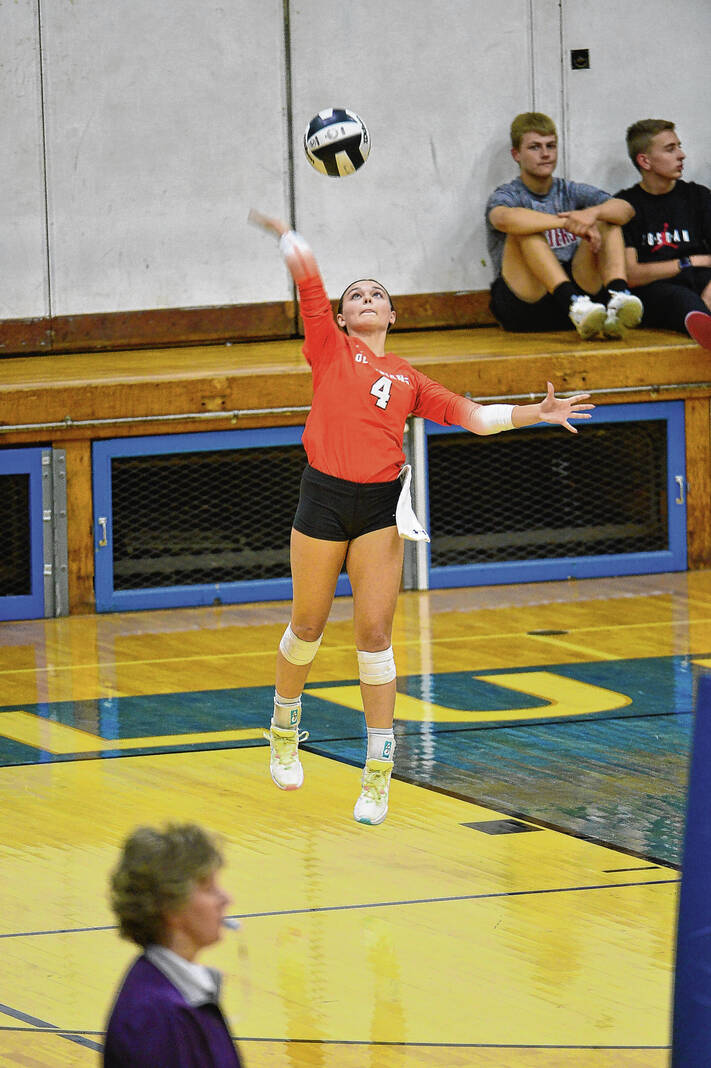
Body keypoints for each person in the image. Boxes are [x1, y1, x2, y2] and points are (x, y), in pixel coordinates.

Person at [249, 208, 594, 827]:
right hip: (323, 497)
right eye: (356, 295)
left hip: (380, 508)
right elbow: (309, 287)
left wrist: (535, 414)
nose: (367, 298)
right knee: (307, 625)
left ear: (392, 315)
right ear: (343, 317)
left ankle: (378, 770)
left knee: (375, 636)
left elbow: (476, 417)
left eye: (377, 294)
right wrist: (290, 239)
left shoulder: (408, 378)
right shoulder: (329, 348)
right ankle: (282, 728)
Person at [485, 111, 643, 340]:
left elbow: (626, 210)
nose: (545, 154)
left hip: (586, 304)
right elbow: (502, 219)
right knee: (523, 231)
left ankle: (618, 297)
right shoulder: (508, 194)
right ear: (516, 154)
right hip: (527, 303)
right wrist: (567, 222)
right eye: (535, 147)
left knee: (607, 218)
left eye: (551, 146)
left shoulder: (570, 190)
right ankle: (572, 302)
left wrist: (592, 214)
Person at [103, 823, 243, 1067]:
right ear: (172, 907)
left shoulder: (171, 991)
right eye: (209, 889)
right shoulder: (157, 1018)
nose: (225, 899)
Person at [613, 119, 711, 333]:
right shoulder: (625, 205)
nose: (681, 155)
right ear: (645, 161)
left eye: (679, 146)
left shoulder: (698, 196)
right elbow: (631, 275)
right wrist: (688, 262)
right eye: (670, 149)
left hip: (703, 281)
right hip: (659, 291)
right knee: (683, 301)